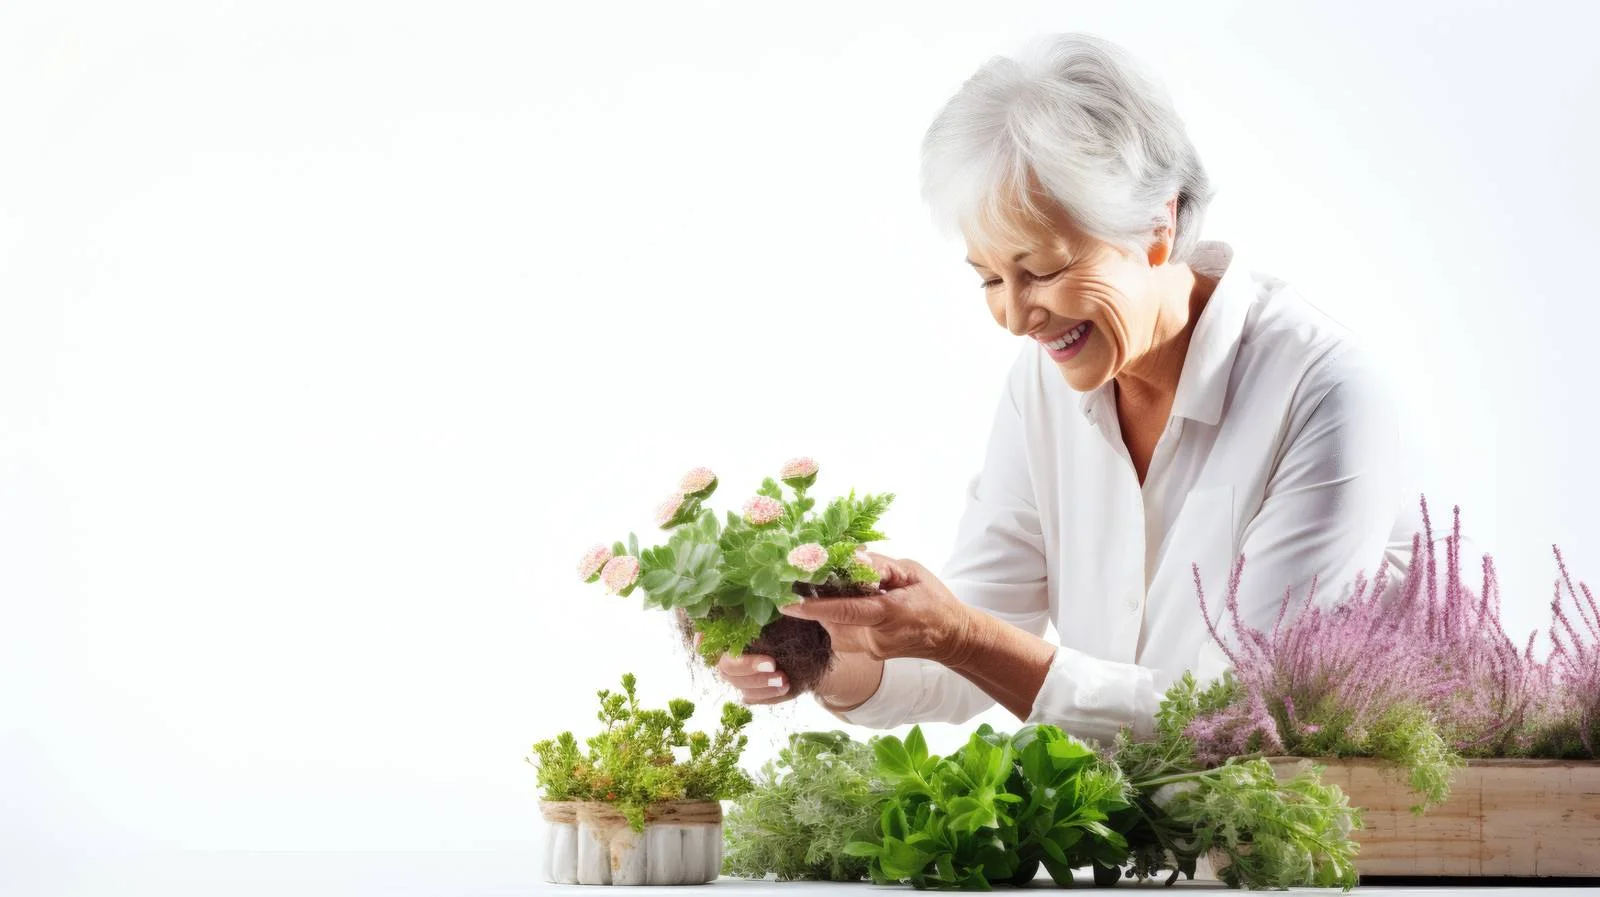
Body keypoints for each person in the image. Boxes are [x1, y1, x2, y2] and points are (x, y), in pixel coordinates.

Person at [714, 33, 1421, 743]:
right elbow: (975, 643)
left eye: (1043, 270)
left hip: (1357, 842)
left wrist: (957, 632)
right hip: (1150, 843)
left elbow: (1239, 717)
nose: (1016, 317)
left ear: (1156, 224)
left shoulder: (1324, 393)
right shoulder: (1045, 383)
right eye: (990, 279)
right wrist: (824, 648)